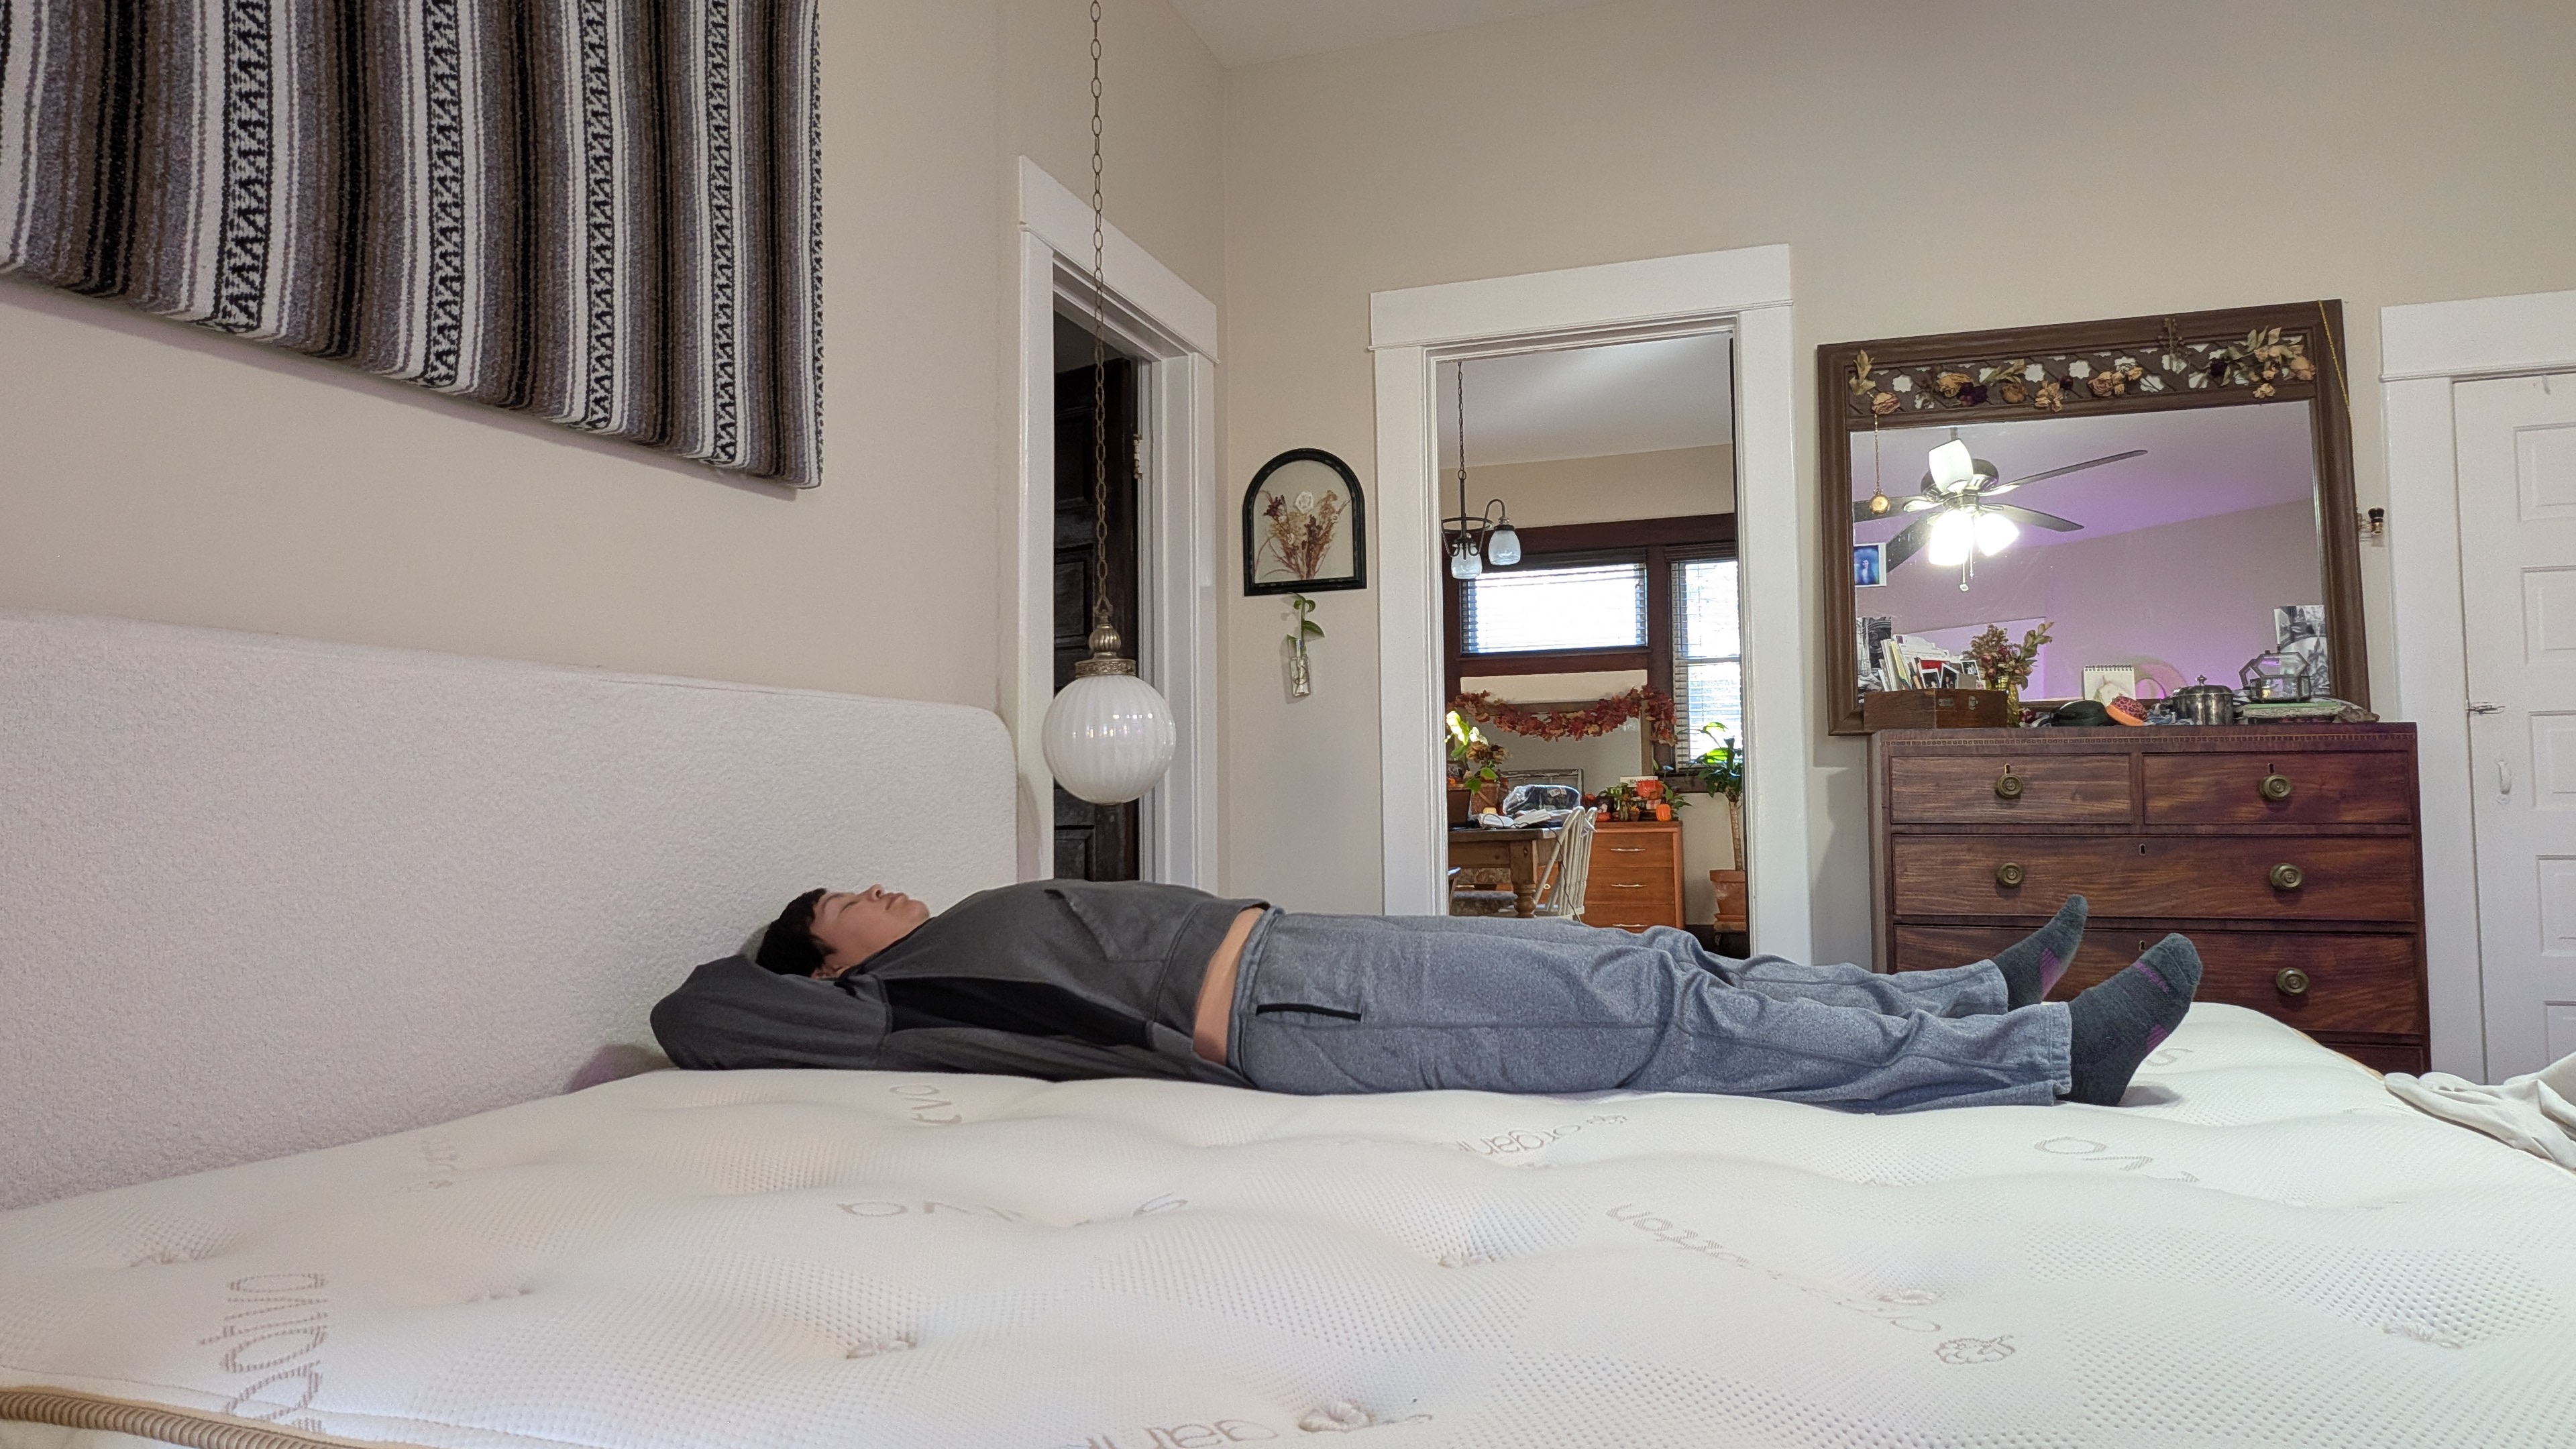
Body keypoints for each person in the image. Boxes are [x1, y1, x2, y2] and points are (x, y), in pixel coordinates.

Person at [649, 881, 2200, 1113]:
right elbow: (696, 1017)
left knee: (1663, 959)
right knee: (1650, 1015)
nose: (879, 887)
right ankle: (2040, 1060)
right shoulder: (885, 1001)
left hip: (1306, 949)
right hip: (1293, 1016)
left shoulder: (949, 936)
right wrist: (816, 971)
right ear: (827, 956)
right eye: (843, 898)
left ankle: (1958, 995)